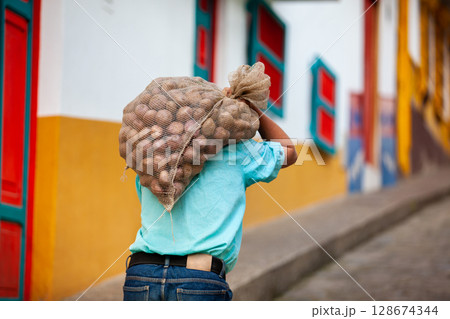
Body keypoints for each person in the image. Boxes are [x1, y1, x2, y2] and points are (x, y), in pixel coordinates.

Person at [123, 96, 298, 301]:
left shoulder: (152, 158)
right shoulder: (238, 152)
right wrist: (255, 110)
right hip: (199, 280)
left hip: (140, 276)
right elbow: (289, 152)